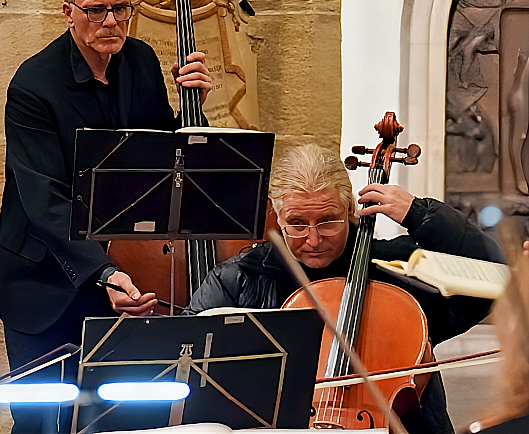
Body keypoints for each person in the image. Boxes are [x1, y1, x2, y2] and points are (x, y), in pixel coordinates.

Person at [0, 0, 212, 434]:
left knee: (123, 415)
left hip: (125, 268)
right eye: (96, 9)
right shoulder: (33, 85)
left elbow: (160, 157)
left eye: (120, 8)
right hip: (46, 280)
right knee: (43, 421)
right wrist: (105, 272)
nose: (110, 21)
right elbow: (45, 199)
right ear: (68, 13)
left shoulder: (140, 62)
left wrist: (193, 107)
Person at [189, 143, 505, 434]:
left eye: (328, 221)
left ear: (350, 210)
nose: (313, 240)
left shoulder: (396, 271)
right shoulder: (239, 280)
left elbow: (494, 274)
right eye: (297, 223)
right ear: (277, 215)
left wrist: (420, 213)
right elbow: (186, 357)